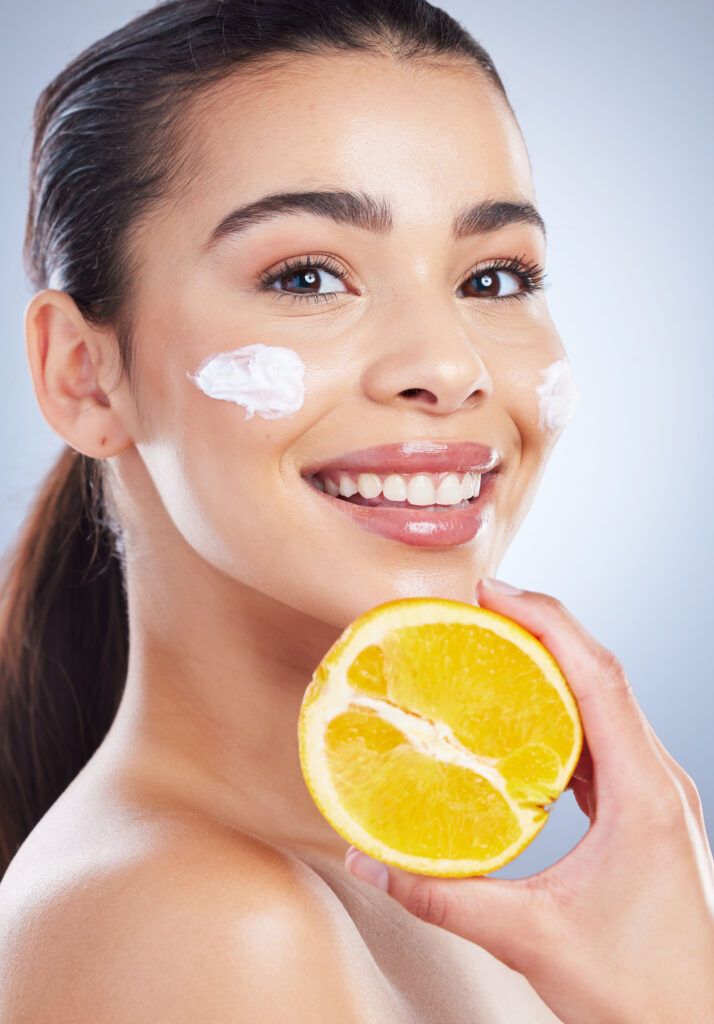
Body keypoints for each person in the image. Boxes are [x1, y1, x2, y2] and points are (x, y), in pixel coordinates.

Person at [0, 0, 711, 1020]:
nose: (447, 366)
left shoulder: (444, 914)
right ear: (85, 376)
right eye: (309, 275)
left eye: (494, 275)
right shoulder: (208, 926)